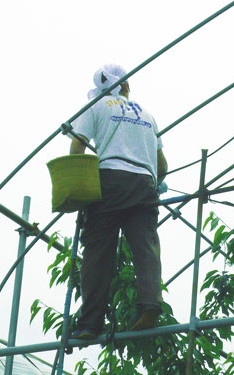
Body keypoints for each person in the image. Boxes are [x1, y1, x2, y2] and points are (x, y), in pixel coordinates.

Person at [69, 64, 168, 340]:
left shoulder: (96, 107)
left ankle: (89, 323)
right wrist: (154, 186)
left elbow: (77, 146)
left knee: (98, 251)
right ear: (126, 86)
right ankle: (150, 305)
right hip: (144, 184)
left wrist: (79, 187)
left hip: (109, 181)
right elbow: (163, 165)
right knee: (146, 247)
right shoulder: (147, 115)